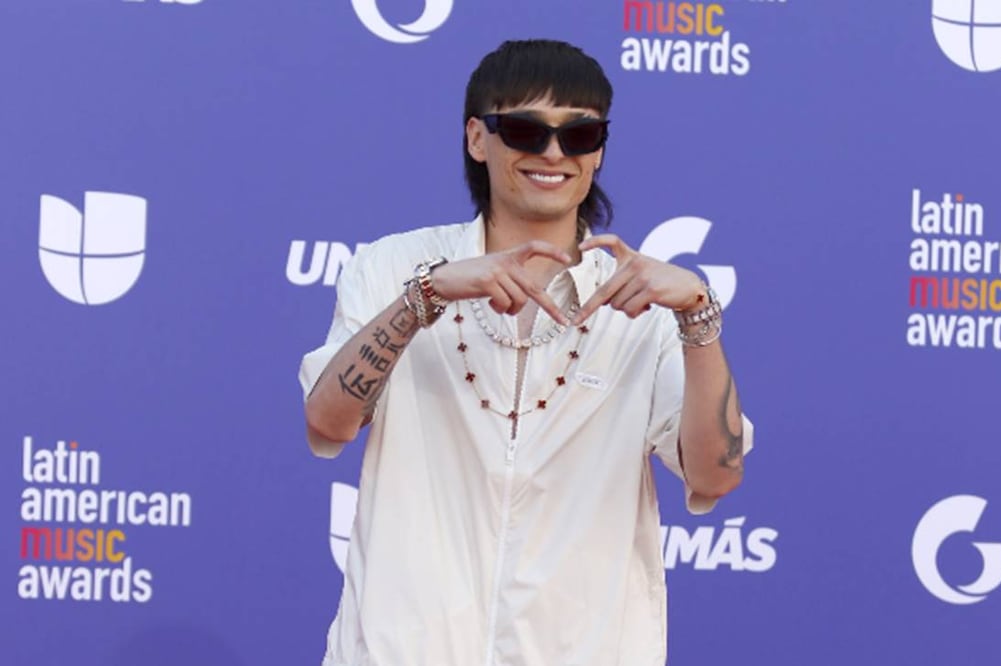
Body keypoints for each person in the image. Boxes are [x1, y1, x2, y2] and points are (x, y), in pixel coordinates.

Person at [299, 38, 753, 666]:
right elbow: (327, 421)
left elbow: (715, 475)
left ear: (598, 150)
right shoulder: (395, 267)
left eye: (580, 135)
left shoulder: (642, 303)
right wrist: (423, 299)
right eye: (524, 130)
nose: (553, 153)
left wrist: (698, 318)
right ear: (477, 139)